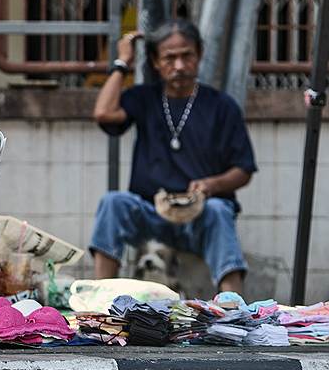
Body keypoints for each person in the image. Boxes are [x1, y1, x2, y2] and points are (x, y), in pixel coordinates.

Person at [90, 19, 257, 294]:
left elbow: (244, 169)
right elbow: (103, 114)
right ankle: (100, 299)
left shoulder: (221, 106)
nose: (179, 66)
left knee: (219, 210)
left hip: (201, 213)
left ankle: (232, 309)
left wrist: (211, 185)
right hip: (150, 212)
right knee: (113, 202)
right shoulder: (145, 98)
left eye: (186, 56)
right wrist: (122, 62)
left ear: (199, 55)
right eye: (170, 58)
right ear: (156, 62)